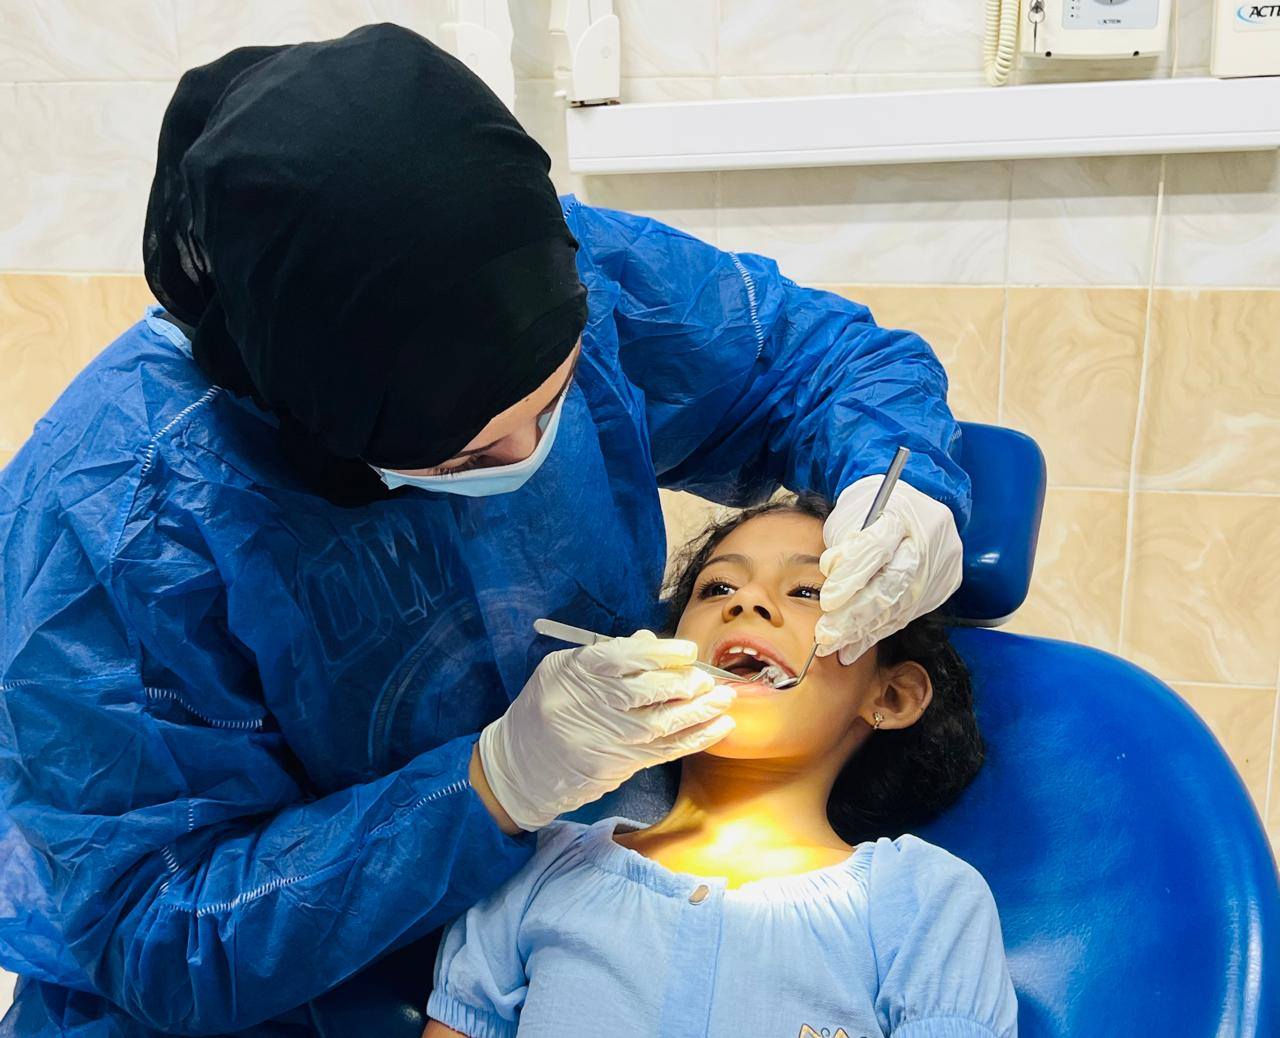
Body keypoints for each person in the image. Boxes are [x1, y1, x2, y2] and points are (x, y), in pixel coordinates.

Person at [0, 23, 971, 1038]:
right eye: (462, 458)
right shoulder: (119, 513)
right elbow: (156, 929)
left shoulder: (532, 263)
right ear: (318, 423)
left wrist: (899, 483)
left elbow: (815, 362)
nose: (526, 462)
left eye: (556, 402)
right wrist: (488, 785)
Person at [425, 496, 1016, 1038]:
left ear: (891, 696)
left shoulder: (923, 900)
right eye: (717, 588)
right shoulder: (533, 869)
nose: (745, 602)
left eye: (807, 591)